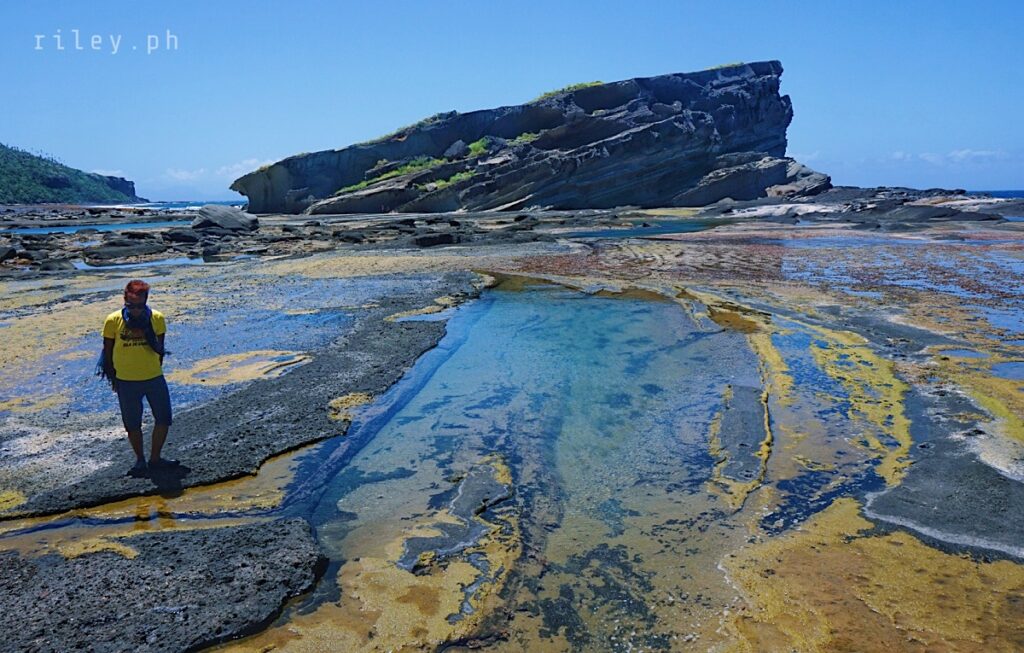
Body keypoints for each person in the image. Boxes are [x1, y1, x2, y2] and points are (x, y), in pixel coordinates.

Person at [101, 279, 176, 476]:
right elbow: (107, 352)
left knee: (164, 418)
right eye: (130, 306)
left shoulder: (157, 319)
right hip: (126, 380)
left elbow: (159, 349)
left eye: (139, 306)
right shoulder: (112, 321)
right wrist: (113, 378)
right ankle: (140, 460)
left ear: (146, 301)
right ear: (124, 300)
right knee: (132, 423)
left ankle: (155, 458)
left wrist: (152, 369)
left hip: (153, 378)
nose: (135, 310)